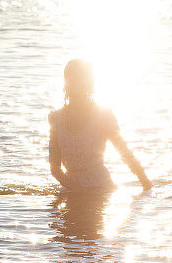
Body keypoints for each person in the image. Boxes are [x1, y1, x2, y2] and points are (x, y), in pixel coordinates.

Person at [48, 59, 152, 192]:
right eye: (73, 79)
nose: (78, 85)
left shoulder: (103, 115)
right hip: (69, 189)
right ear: (67, 83)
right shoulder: (56, 119)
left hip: (100, 188)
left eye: (81, 79)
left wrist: (145, 183)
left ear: (90, 83)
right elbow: (54, 168)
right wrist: (74, 187)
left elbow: (124, 153)